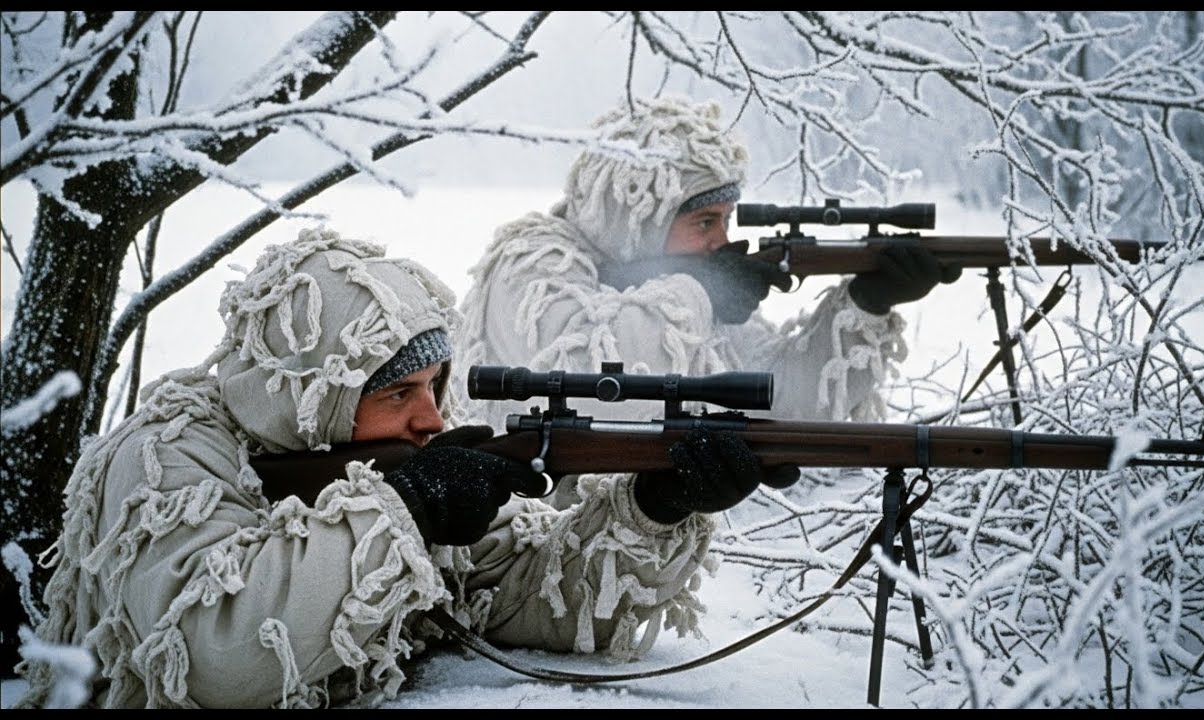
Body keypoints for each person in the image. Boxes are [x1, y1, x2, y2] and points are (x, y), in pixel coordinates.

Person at [13, 228, 797, 709]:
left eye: (434, 388)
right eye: (395, 393)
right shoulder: (167, 457)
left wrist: (651, 507)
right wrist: (405, 511)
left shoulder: (389, 471)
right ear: (310, 397)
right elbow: (217, 652)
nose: (430, 419)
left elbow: (531, 601)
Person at [451, 95, 958, 502]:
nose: (721, 240)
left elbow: (781, 401)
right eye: (704, 222)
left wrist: (864, 305)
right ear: (640, 218)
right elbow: (595, 380)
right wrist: (703, 294)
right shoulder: (533, 265)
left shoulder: (679, 298)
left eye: (726, 220)